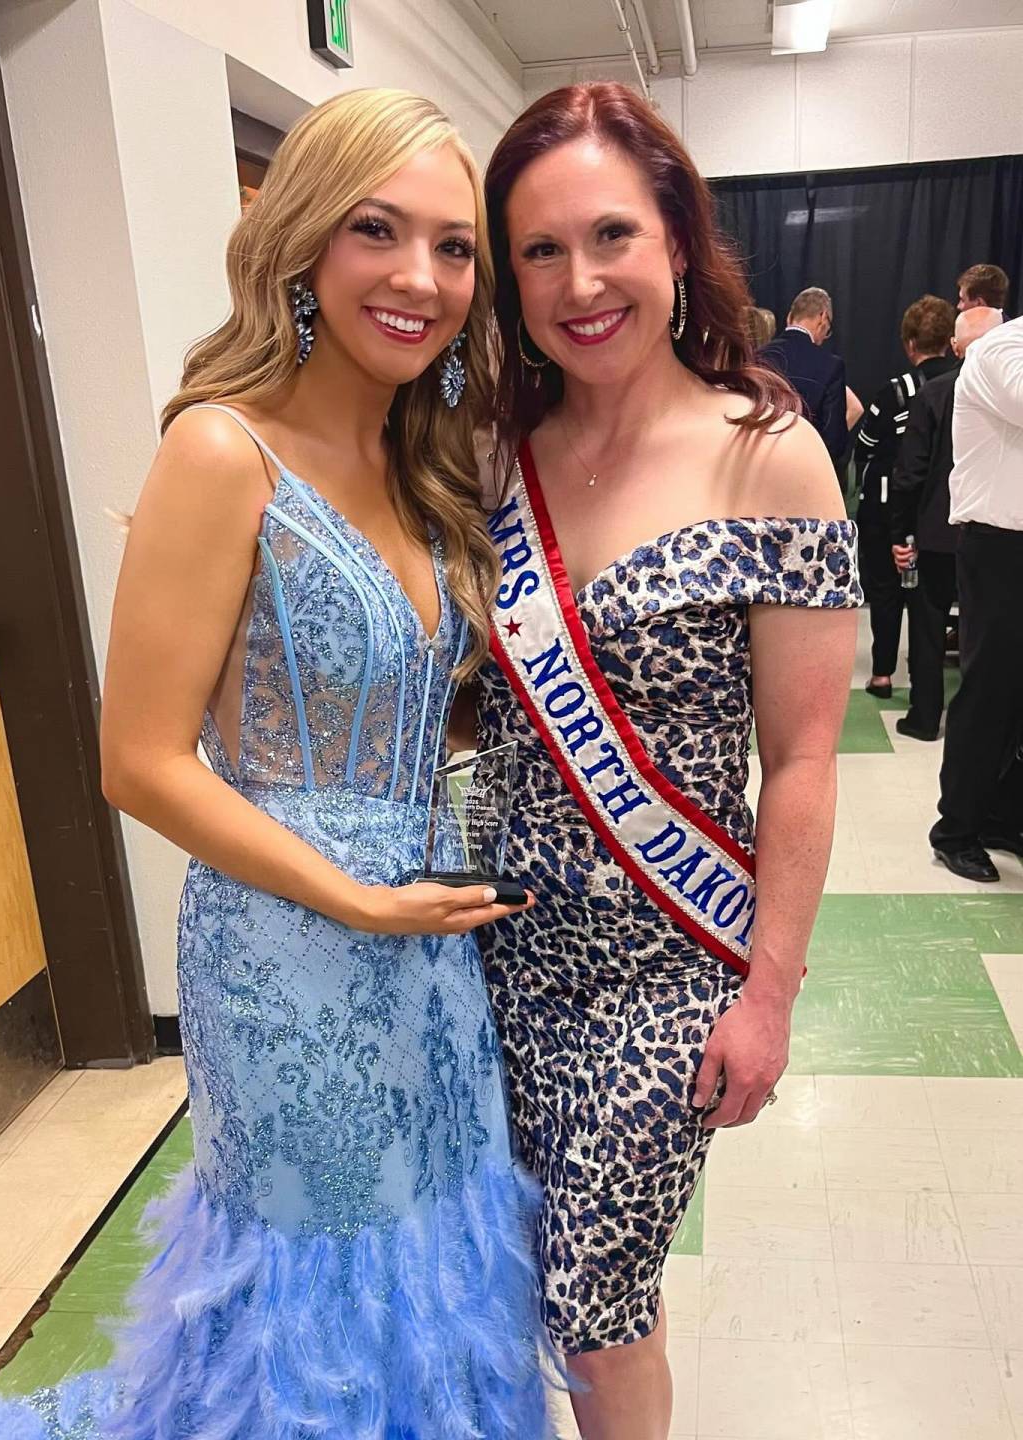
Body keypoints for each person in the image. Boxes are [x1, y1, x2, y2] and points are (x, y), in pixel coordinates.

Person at [0, 90, 554, 1440]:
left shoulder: (422, 460)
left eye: (455, 247)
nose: (420, 277)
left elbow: (414, 707)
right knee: (315, 1281)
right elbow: (138, 760)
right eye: (377, 230)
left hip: (432, 945)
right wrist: (356, 900)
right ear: (302, 245)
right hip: (288, 960)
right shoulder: (222, 450)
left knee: (437, 1240)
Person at [472, 82, 860, 1440]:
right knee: (500, 1271)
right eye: (540, 250)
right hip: (492, 957)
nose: (580, 283)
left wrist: (769, 996)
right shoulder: (490, 458)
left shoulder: (772, 456)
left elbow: (804, 757)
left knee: (595, 1299)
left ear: (678, 240)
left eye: (612, 236)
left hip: (667, 968)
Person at [930, 315, 1023, 882]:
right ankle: (956, 831)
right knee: (989, 690)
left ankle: (1003, 817)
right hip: (998, 546)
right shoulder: (1000, 350)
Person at [889, 307, 1003, 739]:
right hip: (998, 533)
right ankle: (983, 725)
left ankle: (924, 716)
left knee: (928, 624)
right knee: (988, 631)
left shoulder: (935, 393)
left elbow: (911, 472)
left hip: (938, 530)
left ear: (956, 347)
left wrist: (901, 534)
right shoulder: (1011, 396)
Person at [854, 295, 957, 699]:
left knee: (885, 589)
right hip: (945, 509)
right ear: (949, 341)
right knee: (930, 597)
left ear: (910, 344)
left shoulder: (895, 393)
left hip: (888, 507)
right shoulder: (965, 386)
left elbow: (864, 446)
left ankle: (882, 673)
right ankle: (924, 679)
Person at [760, 286, 849, 463]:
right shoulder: (830, 366)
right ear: (823, 318)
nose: (824, 337)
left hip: (758, 465)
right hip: (804, 467)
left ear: (789, 317)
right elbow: (834, 441)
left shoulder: (757, 357)